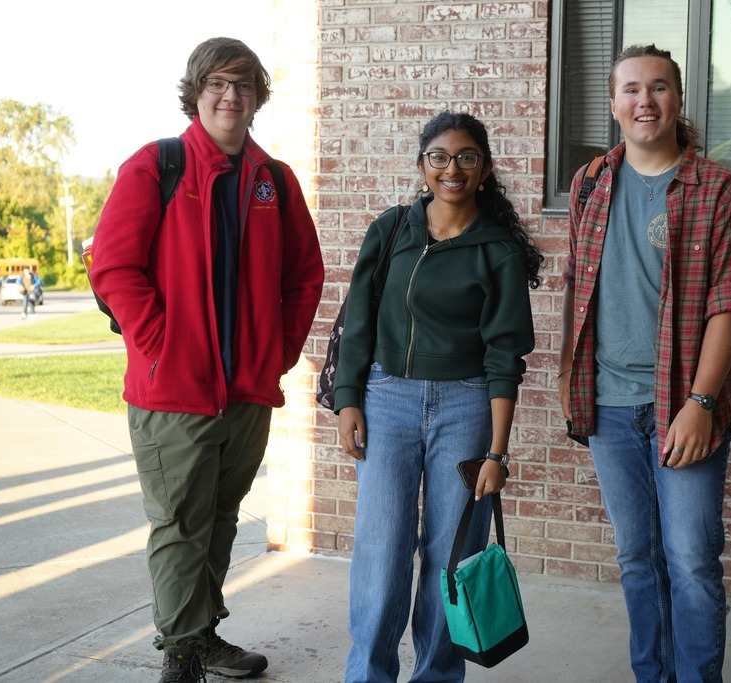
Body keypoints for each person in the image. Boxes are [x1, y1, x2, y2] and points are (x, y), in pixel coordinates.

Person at [90, 37, 324, 683]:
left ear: (257, 99)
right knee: (179, 524)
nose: (230, 96)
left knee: (219, 519)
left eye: (243, 86)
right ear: (196, 92)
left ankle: (203, 632)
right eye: (218, 83)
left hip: (247, 391)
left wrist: (275, 351)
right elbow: (113, 265)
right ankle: (183, 653)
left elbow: (305, 275)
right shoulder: (157, 166)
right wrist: (161, 343)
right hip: (175, 393)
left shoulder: (274, 180)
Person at [558, 45, 731, 683]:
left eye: (660, 88)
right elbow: (576, 285)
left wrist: (699, 404)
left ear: (678, 99)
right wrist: (566, 374)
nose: (646, 101)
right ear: (614, 104)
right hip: (609, 404)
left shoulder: (719, 190)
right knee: (637, 557)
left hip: (683, 403)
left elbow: (728, 305)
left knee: (692, 560)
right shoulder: (589, 184)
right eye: (633, 90)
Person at [333, 110, 542, 683]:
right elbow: (358, 321)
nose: (453, 169)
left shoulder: (497, 250)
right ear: (423, 166)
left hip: (466, 407)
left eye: (467, 157)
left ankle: (437, 676)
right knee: (382, 554)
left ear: (486, 168)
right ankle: (369, 676)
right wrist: (348, 398)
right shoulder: (393, 229)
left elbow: (506, 360)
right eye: (440, 157)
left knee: (452, 559)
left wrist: (497, 453)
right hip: (387, 402)